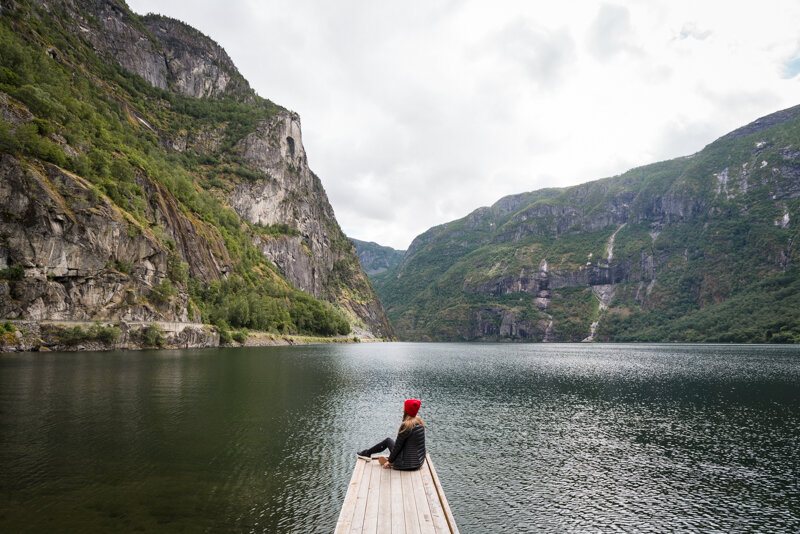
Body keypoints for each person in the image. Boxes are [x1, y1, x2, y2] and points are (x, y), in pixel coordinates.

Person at [357, 398, 426, 470]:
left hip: (405, 464)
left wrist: (389, 461)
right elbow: (421, 447)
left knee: (388, 441)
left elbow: (397, 447)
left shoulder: (406, 426)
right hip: (418, 463)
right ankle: (369, 453)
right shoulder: (420, 423)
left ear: (407, 410)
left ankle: (367, 453)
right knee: (396, 444)